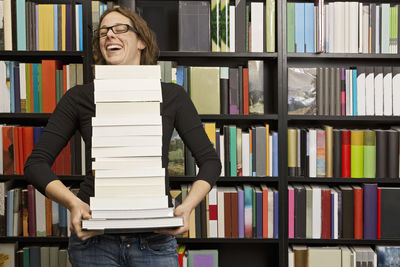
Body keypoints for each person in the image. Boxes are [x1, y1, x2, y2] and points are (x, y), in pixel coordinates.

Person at [24, 6, 221, 267]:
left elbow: (210, 161)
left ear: (141, 41)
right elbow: (36, 163)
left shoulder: (172, 95)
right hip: (93, 240)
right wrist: (73, 203)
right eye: (104, 32)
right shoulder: (79, 97)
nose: (109, 36)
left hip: (155, 240)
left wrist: (187, 206)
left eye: (120, 29)